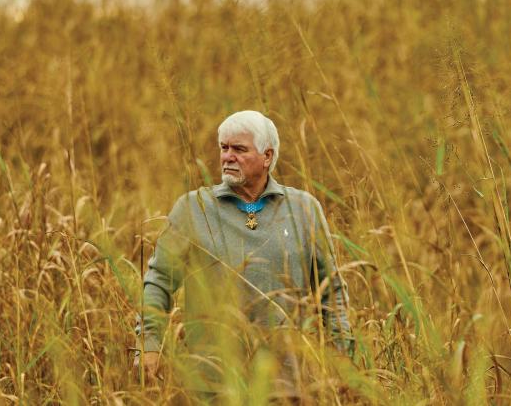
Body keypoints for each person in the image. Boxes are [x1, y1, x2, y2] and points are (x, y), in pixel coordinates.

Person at [134, 110, 353, 392]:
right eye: (224, 148)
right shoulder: (193, 209)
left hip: (288, 386)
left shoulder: (303, 209)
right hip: (212, 385)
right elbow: (159, 281)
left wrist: (342, 356)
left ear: (267, 157)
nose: (227, 157)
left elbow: (331, 291)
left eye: (239, 149)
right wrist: (148, 344)